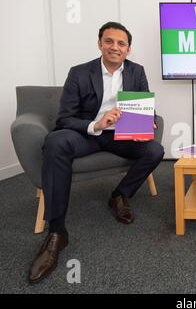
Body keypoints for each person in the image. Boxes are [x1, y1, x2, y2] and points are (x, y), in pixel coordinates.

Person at [28, 22, 164, 283]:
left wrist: (150, 119)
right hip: (86, 134)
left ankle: (120, 195)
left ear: (128, 49)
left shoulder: (137, 71)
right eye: (109, 41)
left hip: (120, 136)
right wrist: (97, 124)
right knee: (55, 142)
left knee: (155, 150)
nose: (115, 47)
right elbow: (64, 118)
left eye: (121, 43)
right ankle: (56, 233)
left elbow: (145, 104)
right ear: (100, 44)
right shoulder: (79, 73)